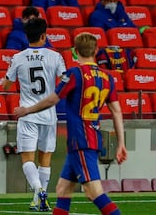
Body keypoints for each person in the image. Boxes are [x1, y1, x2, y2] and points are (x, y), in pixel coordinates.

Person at [14, 32, 127, 215]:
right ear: (96, 50)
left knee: (93, 192)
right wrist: (121, 143)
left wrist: (27, 110)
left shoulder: (75, 73)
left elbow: (52, 99)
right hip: (87, 139)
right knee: (63, 189)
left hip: (81, 140)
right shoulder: (107, 78)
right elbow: (116, 111)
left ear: (75, 52)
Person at [2, 18, 66, 212]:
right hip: (48, 114)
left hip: (27, 114)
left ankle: (38, 192)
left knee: (27, 158)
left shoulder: (18, 57)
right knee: (45, 159)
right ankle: (40, 197)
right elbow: (65, 81)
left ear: (26, 36)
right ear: (44, 35)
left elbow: (6, 86)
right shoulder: (55, 56)